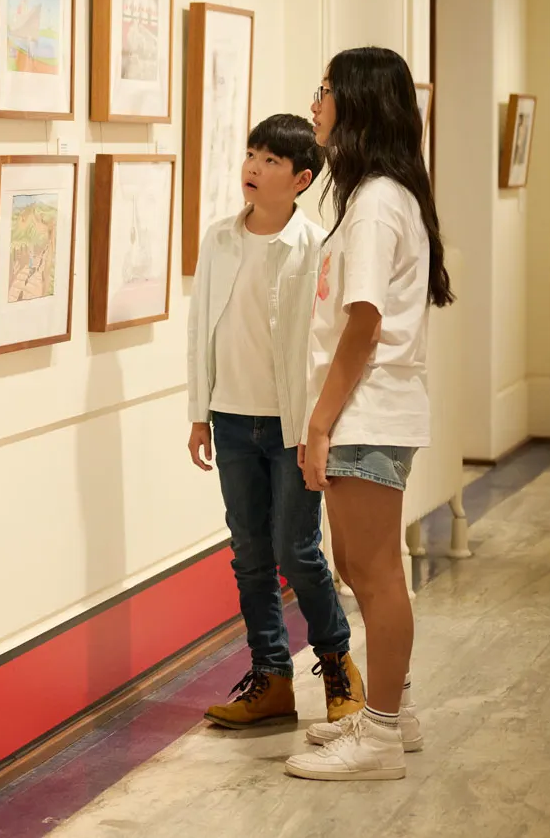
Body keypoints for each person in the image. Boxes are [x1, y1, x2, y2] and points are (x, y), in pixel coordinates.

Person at [285, 47, 453, 783]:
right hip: (363, 408)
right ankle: (393, 709)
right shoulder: (369, 196)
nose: (315, 102)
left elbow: (361, 321)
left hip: (367, 409)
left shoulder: (380, 199)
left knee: (376, 572)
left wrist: (319, 423)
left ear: (358, 104)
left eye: (325, 90)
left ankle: (381, 734)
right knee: (357, 563)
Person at [188, 114, 364, 732]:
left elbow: (326, 344)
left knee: (299, 550)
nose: (253, 169)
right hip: (232, 421)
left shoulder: (317, 247)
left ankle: (339, 665)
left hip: (290, 427)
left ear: (301, 178)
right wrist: (198, 414)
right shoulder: (218, 240)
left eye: (269, 161)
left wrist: (320, 427)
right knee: (249, 554)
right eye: (251, 155)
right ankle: (271, 678)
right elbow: (200, 331)